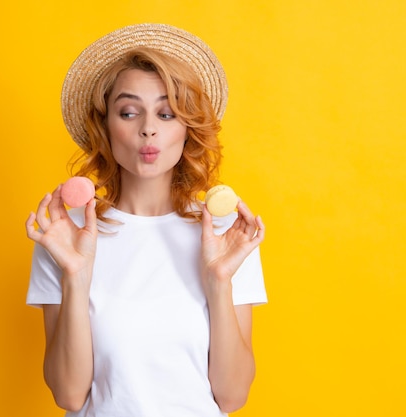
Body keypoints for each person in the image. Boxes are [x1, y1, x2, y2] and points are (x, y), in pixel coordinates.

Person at [25, 23, 267, 417]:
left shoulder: (227, 238)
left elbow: (232, 397)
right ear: (105, 126)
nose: (148, 129)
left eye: (167, 113)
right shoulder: (65, 236)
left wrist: (219, 279)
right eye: (129, 112)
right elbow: (69, 396)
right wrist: (75, 274)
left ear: (188, 130)